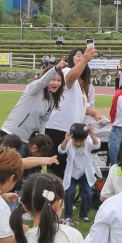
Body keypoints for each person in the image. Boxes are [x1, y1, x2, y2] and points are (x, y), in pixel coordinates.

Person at [45, 47, 104, 176]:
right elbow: (70, 77)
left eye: (83, 55)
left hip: (70, 130)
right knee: (57, 168)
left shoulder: (81, 84)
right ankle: (54, 194)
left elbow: (84, 106)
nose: (81, 57)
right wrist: (85, 60)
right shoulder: (66, 71)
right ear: (71, 58)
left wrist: (95, 113)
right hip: (58, 128)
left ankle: (63, 194)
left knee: (68, 168)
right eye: (78, 55)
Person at [3, 60, 66, 143]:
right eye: (53, 79)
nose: (56, 83)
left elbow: (43, 122)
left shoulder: (52, 99)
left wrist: (43, 140)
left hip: (26, 140)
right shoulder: (34, 88)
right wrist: (56, 68)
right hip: (10, 134)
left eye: (59, 80)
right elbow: (42, 82)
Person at [59, 124, 99, 224]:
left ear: (85, 139)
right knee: (69, 193)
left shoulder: (88, 142)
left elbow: (97, 145)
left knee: (87, 194)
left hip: (85, 173)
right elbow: (61, 150)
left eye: (81, 141)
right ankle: (68, 216)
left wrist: (92, 135)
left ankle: (83, 215)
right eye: (75, 141)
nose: (78, 144)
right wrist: (66, 140)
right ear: (71, 137)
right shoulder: (69, 143)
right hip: (72, 174)